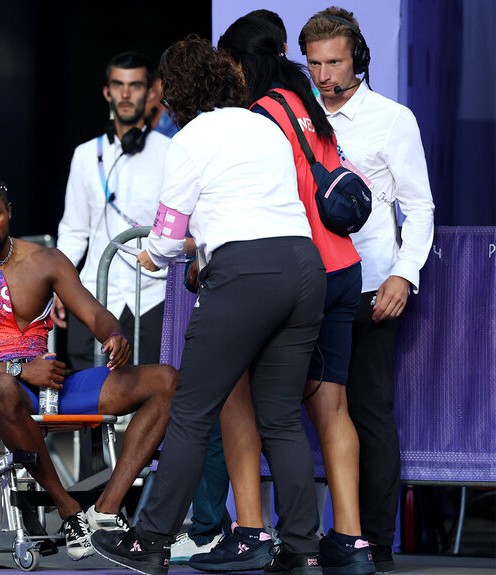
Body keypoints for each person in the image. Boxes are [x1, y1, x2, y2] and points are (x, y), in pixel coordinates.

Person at [91, 37, 327, 575]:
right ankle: (301, 549)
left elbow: (170, 236)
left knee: (192, 411)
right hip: (302, 267)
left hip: (245, 276)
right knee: (282, 420)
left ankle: (149, 541)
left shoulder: (190, 138)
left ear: (173, 93)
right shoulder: (262, 125)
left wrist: (149, 257)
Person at [186, 14, 373, 575]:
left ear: (239, 65)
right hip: (344, 267)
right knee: (332, 407)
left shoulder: (258, 116)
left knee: (238, 396)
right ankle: (351, 542)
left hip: (294, 271)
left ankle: (251, 533)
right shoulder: (305, 99)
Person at [0, 174, 177, 561]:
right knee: (3, 388)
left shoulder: (46, 260)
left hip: (50, 386)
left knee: (164, 380)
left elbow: (93, 312)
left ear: (9, 213)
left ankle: (106, 510)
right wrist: (18, 370)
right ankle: (69, 510)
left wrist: (113, 334)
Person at [300, 8, 435, 573]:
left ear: (358, 58)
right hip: (308, 283)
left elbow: (419, 205)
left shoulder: (392, 118)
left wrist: (405, 273)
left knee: (369, 411)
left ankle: (374, 543)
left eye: (335, 61)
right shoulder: (296, 118)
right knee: (295, 411)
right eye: (315, 63)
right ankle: (304, 539)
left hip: (374, 283)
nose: (325, 73)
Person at [55, 52, 171, 369]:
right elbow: (74, 231)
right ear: (107, 91)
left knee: (152, 396)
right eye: (118, 85)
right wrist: (58, 286)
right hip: (94, 294)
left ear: (150, 93)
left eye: (134, 86)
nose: (124, 94)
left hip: (152, 297)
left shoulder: (171, 153)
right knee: (89, 401)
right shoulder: (84, 155)